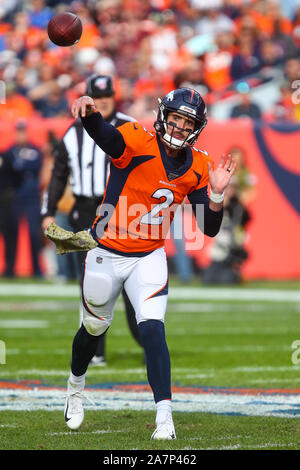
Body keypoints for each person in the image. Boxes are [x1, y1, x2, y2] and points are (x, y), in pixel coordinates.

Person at [60, 87, 236, 440]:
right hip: (106, 250)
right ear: (163, 116)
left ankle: (164, 417)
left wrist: (216, 196)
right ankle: (75, 387)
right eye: (176, 118)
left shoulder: (199, 164)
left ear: (197, 127)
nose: (180, 126)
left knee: (153, 328)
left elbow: (209, 228)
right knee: (94, 329)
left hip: (149, 255)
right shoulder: (137, 140)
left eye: (188, 122)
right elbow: (107, 137)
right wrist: (91, 114)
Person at [41, 74, 143, 366]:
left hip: (122, 210)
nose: (103, 101)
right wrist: (47, 212)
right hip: (86, 210)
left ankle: (146, 338)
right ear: (89, 97)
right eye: (97, 97)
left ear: (114, 95)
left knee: (128, 278)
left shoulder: (129, 126)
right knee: (92, 282)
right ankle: (95, 349)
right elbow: (59, 174)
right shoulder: (73, 132)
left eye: (107, 95)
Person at [5, 119, 43, 277]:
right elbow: (9, 169)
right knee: (11, 234)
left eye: (23, 131)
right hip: (15, 196)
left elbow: (35, 166)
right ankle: (9, 270)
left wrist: (20, 166)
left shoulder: (35, 149)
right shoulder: (9, 151)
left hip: (31, 196)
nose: (21, 134)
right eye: (19, 131)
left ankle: (37, 269)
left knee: (34, 234)